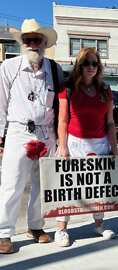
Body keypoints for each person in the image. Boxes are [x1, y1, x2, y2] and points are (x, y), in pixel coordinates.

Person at [0, 19, 63, 253]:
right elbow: (0, 103)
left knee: (42, 184)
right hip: (18, 131)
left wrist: (59, 138)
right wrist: (0, 136)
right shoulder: (8, 67)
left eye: (37, 40)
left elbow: (61, 105)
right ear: (22, 43)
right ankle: (3, 233)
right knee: (11, 184)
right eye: (28, 40)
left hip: (46, 134)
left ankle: (35, 226)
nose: (32, 44)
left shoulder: (54, 70)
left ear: (45, 43)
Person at [54, 47, 118, 247]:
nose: (91, 67)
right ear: (79, 65)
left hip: (99, 144)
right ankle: (61, 229)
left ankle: (99, 225)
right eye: (87, 63)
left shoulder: (105, 89)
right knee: (68, 187)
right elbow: (63, 119)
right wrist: (62, 146)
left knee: (99, 187)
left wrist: (113, 145)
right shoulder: (68, 87)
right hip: (74, 142)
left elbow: (109, 121)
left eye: (95, 63)